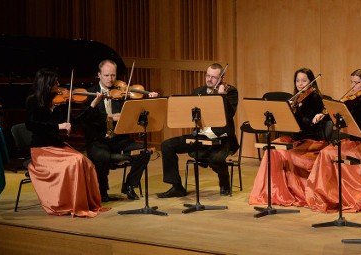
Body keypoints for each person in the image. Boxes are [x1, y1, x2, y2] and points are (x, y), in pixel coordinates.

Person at [26, 68, 105, 217]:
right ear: (46, 84)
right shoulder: (33, 101)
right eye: (55, 82)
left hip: (58, 146)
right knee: (75, 161)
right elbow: (30, 125)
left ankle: (83, 202)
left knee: (85, 162)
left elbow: (76, 121)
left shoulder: (60, 103)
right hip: (41, 149)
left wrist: (93, 104)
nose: (58, 84)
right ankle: (68, 203)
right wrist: (58, 126)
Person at [249, 68, 330, 206]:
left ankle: (288, 192)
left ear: (311, 82)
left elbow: (307, 123)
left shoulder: (315, 98)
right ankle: (274, 191)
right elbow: (290, 124)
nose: (300, 83)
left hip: (311, 141)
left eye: (304, 80)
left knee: (283, 153)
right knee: (272, 148)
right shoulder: (297, 98)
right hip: (297, 138)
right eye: (297, 80)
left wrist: (296, 110)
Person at [158, 63, 239, 197]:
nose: (209, 79)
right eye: (207, 75)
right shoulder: (198, 92)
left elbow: (229, 114)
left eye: (213, 77)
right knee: (167, 145)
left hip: (222, 138)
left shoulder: (230, 92)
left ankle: (225, 183)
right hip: (201, 136)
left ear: (222, 78)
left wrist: (222, 96)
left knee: (216, 158)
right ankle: (177, 186)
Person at [305, 69, 361, 212]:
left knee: (329, 154)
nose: (353, 86)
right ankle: (326, 195)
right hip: (354, 141)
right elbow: (340, 111)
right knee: (326, 153)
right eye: (352, 82)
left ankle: (332, 196)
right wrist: (323, 115)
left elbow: (355, 118)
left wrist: (340, 110)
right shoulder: (356, 98)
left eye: (357, 83)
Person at [83, 59, 158, 202]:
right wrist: (110, 117)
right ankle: (102, 192)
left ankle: (129, 186)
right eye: (106, 75)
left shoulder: (122, 92)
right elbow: (87, 119)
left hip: (119, 140)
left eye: (113, 75)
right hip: (98, 140)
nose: (110, 79)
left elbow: (138, 111)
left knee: (145, 151)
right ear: (99, 74)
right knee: (102, 156)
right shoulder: (90, 93)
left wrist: (150, 98)